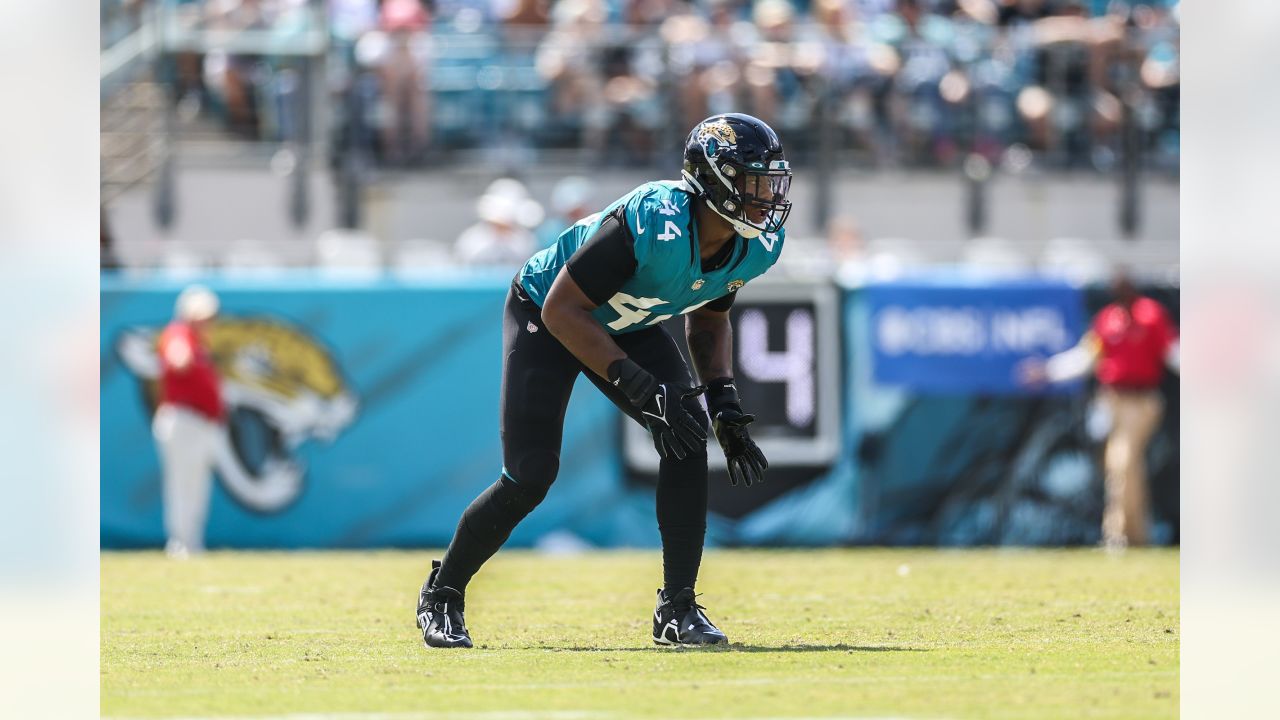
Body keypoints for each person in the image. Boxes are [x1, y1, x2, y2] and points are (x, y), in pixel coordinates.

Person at [416, 113, 791, 648]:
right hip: (547, 311)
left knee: (685, 435)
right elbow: (563, 309)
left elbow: (708, 316)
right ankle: (442, 594)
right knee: (530, 474)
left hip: (627, 321)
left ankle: (677, 609)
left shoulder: (756, 245)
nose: (767, 197)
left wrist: (724, 402)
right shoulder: (653, 219)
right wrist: (642, 388)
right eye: (754, 182)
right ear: (714, 180)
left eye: (772, 182)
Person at [1018, 271, 1179, 549]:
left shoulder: (1150, 315)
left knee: (1123, 461)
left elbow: (1173, 354)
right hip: (1111, 400)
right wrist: (1048, 371)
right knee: (1119, 468)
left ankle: (1119, 534)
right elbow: (1086, 358)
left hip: (1140, 401)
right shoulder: (1107, 319)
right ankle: (1134, 534)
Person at [152, 285, 226, 559]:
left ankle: (192, 543)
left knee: (196, 484)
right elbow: (177, 358)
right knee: (183, 483)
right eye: (204, 317)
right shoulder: (179, 334)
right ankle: (180, 543)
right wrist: (181, 355)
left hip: (200, 422)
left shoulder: (198, 342)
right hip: (184, 420)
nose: (210, 323)